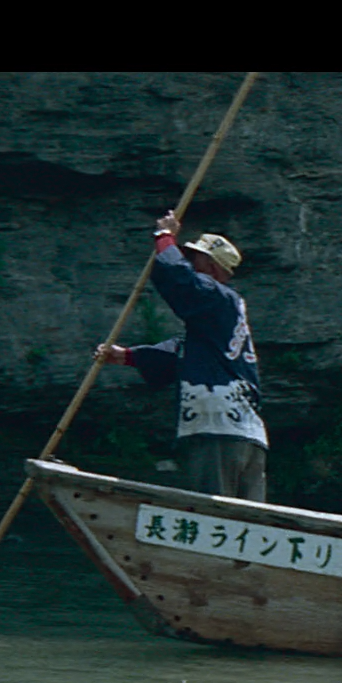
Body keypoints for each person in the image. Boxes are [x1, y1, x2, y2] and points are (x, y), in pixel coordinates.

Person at [98, 210, 268, 501]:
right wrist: (128, 356)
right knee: (244, 514)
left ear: (212, 268)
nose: (189, 264)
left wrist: (165, 238)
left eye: (195, 259)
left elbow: (180, 280)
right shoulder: (222, 315)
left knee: (215, 511)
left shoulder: (218, 296)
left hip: (217, 425)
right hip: (245, 430)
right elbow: (183, 352)